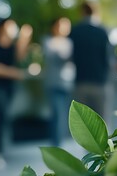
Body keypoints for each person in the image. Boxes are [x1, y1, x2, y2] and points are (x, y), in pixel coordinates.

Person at [0, 18, 32, 170]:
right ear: (2, 27)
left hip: (9, 88)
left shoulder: (11, 46)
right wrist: (13, 73)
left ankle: (1, 149)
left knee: (4, 117)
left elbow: (19, 57)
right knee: (0, 115)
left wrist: (25, 38)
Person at [69, 2, 114, 123]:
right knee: (102, 123)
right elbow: (109, 57)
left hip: (81, 81)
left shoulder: (75, 31)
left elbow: (70, 56)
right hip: (100, 82)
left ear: (82, 12)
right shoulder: (103, 31)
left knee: (83, 125)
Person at [42, 17, 73, 146]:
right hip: (54, 84)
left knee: (66, 115)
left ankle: (61, 142)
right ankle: (56, 144)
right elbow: (56, 58)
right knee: (57, 114)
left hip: (69, 84)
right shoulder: (48, 41)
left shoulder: (70, 42)